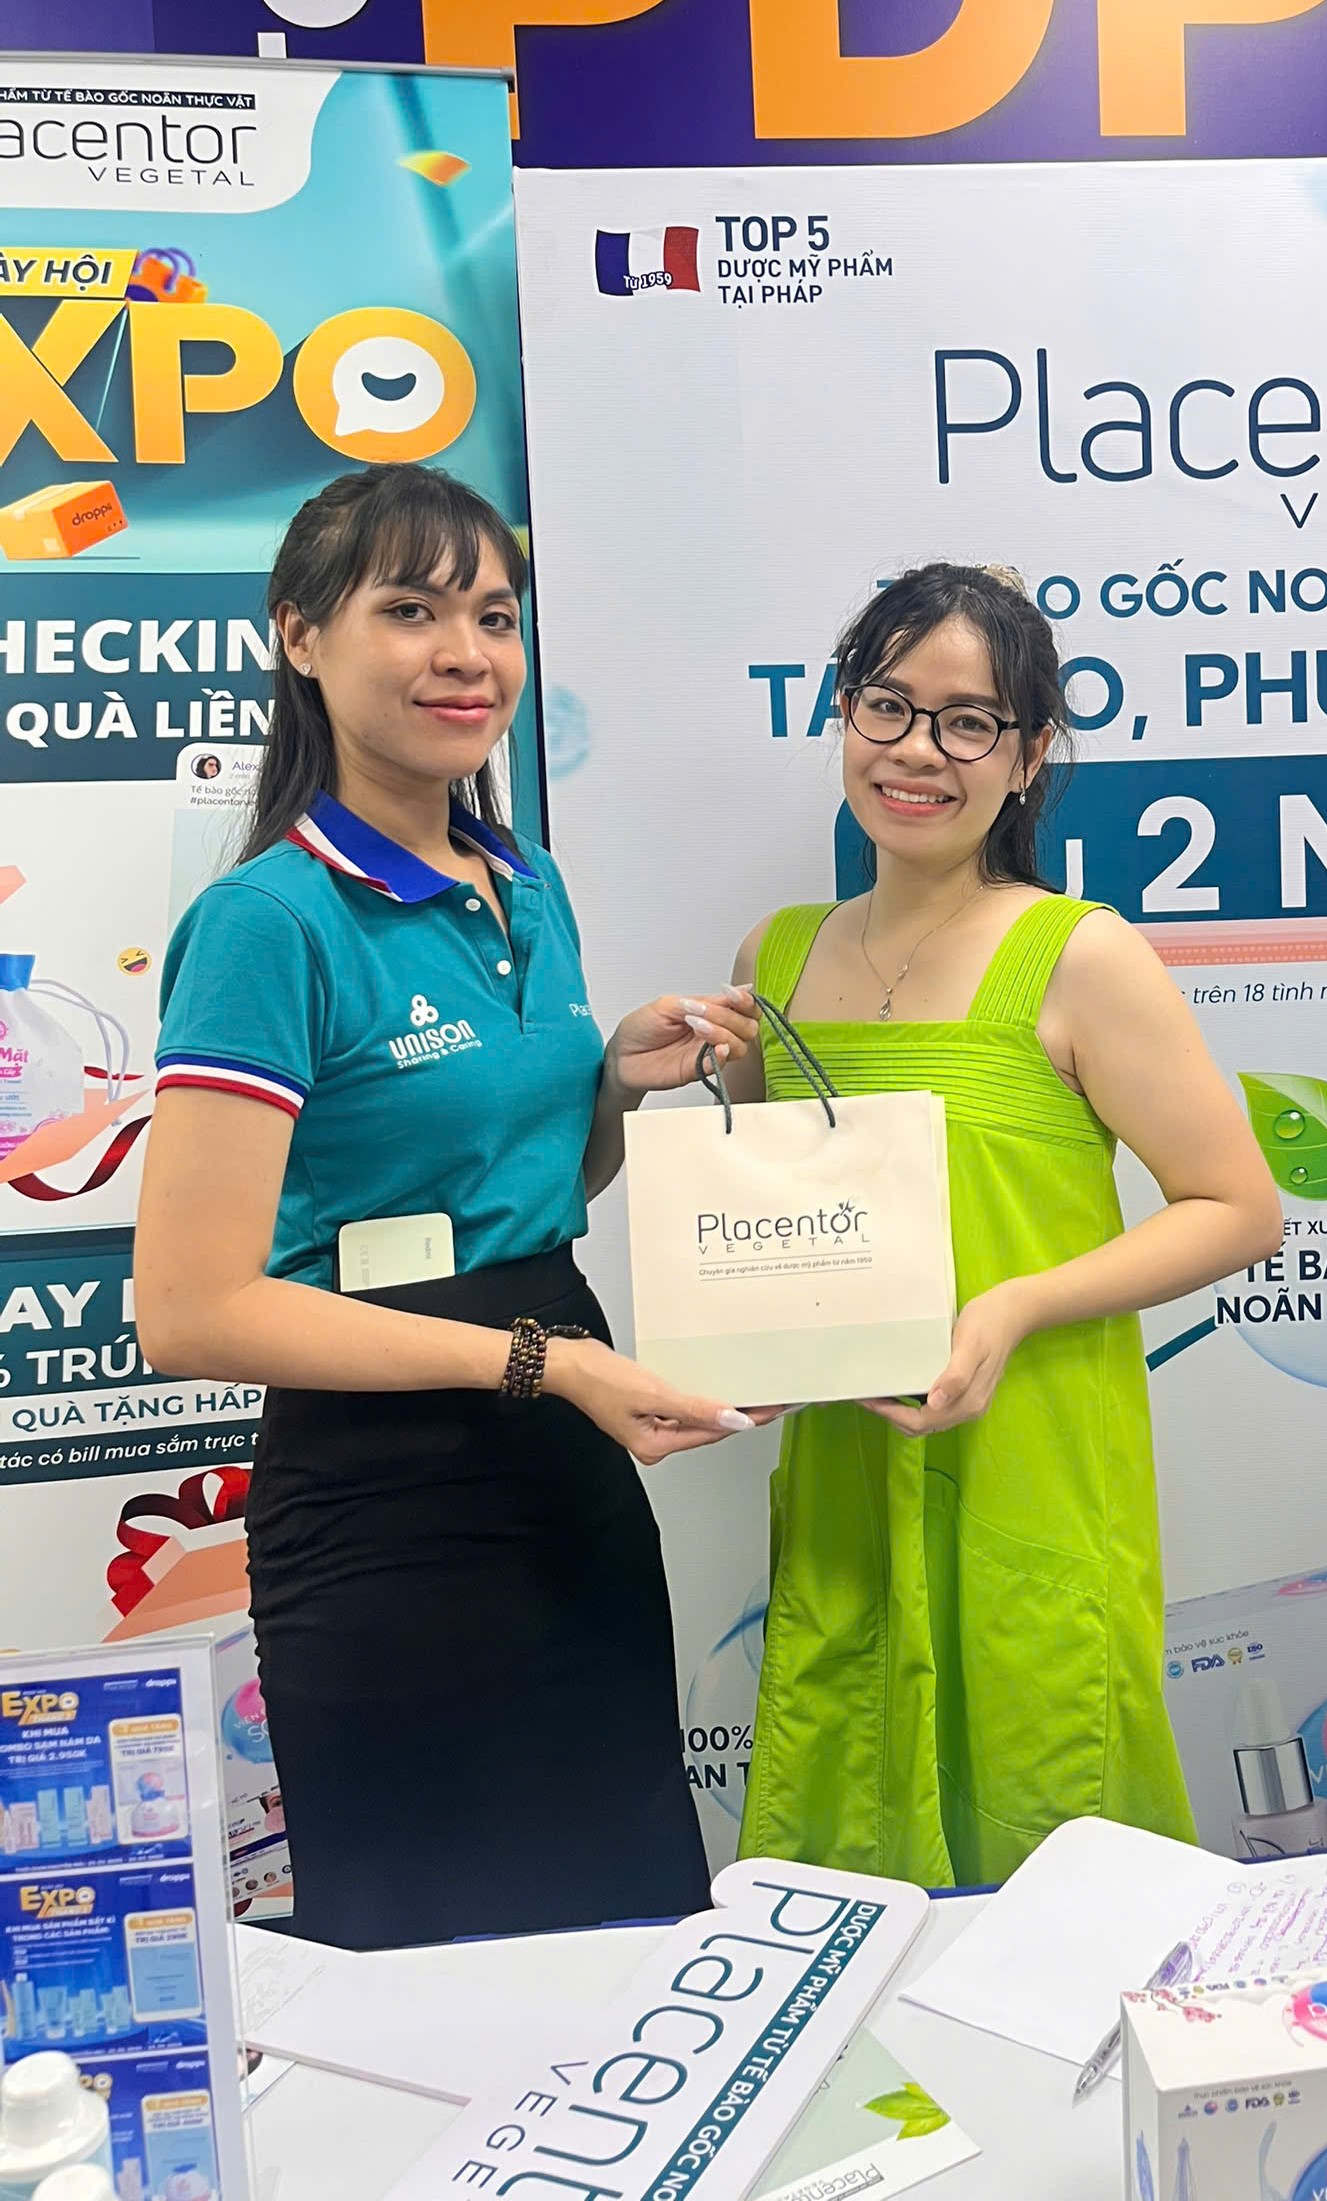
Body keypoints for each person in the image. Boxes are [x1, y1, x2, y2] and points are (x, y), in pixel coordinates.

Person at [134, 463, 764, 1949]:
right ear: (301, 635)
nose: (465, 654)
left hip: (564, 1469)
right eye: (410, 610)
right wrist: (544, 1364)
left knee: (624, 1930)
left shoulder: (522, 881)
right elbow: (192, 1311)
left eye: (493, 615)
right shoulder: (267, 923)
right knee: (433, 1965)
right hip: (387, 1507)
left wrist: (611, 1093)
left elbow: (517, 1204)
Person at [726, 562, 1285, 1885]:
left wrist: (1015, 1304)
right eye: (887, 705)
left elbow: (1239, 1210)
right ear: (845, 717)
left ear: (1030, 757)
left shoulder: (1083, 954)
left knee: (1051, 1809)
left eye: (968, 722)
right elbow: (767, 1211)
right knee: (847, 1794)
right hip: (851, 1466)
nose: (918, 750)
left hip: (1029, 1453)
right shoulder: (775, 958)